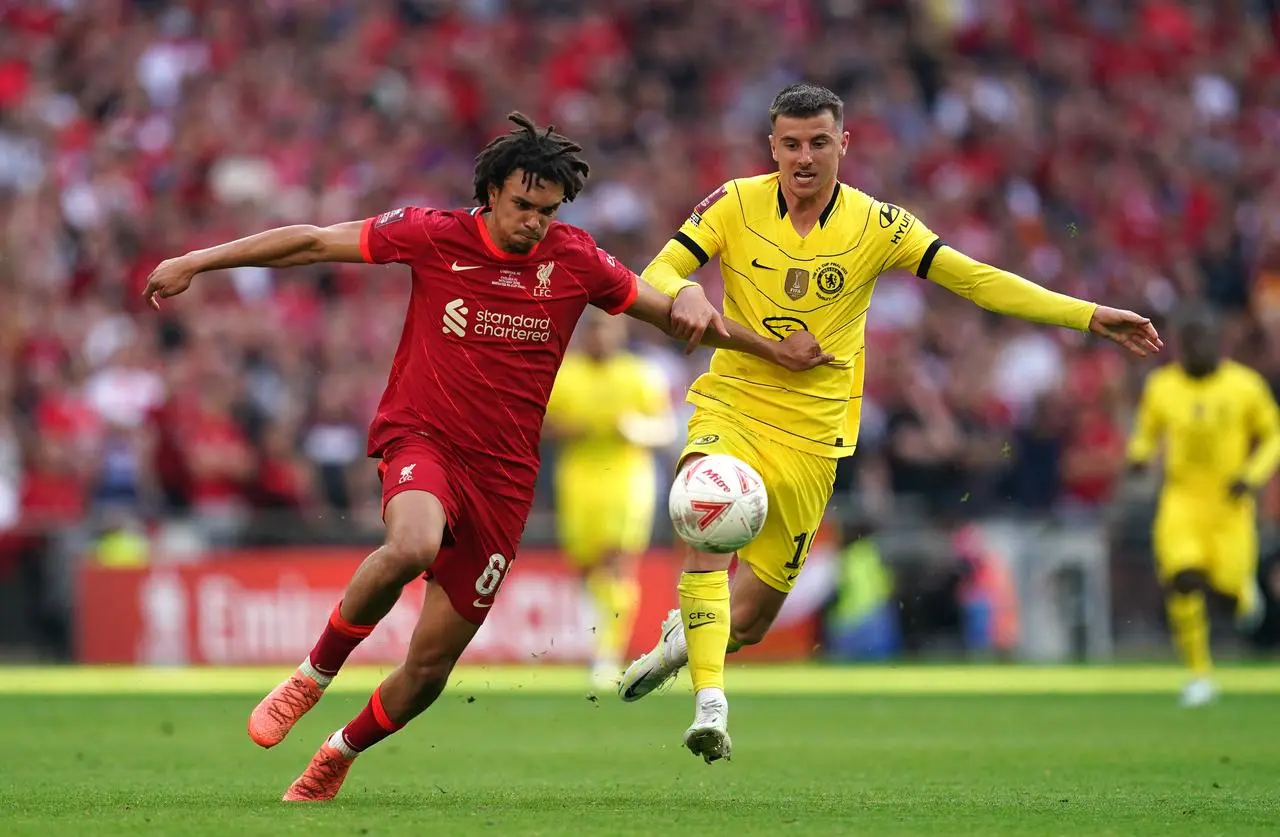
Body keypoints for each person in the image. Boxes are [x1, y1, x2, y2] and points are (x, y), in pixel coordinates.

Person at [141, 112, 834, 802]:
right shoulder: (433, 234)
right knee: (412, 544)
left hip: (503, 478)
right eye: (523, 205)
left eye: (547, 210)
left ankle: (336, 753)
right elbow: (314, 242)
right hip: (424, 437)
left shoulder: (575, 259)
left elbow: (674, 315)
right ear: (492, 192)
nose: (534, 221)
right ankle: (309, 677)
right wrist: (197, 262)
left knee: (430, 666)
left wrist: (774, 350)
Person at [620, 83, 1163, 763]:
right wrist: (692, 287)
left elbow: (976, 279)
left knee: (752, 618)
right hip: (732, 402)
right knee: (700, 510)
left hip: (813, 435)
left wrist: (1085, 313)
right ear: (772, 147)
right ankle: (711, 705)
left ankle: (685, 640)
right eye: (791, 144)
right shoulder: (734, 202)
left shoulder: (881, 226)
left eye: (819, 142)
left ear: (843, 144)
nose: (804, 157)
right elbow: (661, 270)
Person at [1125, 307, 1280, 707]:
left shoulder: (1244, 386)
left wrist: (1253, 475)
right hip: (1182, 499)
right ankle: (1199, 674)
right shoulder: (1162, 386)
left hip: (1230, 504)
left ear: (1217, 343)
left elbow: (1274, 435)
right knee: (1183, 578)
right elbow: (1146, 433)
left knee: (1227, 596)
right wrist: (1139, 455)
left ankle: (1243, 593)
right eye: (1187, 344)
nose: (1194, 351)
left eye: (1201, 342)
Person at [545, 311, 675, 688]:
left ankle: (607, 652)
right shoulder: (565, 375)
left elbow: (665, 428)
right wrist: (569, 429)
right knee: (586, 565)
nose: (601, 339)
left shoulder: (639, 374)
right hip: (579, 479)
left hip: (626, 478)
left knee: (615, 560)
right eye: (594, 331)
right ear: (585, 335)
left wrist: (637, 429)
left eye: (608, 331)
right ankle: (594, 644)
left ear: (619, 334)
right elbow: (541, 424)